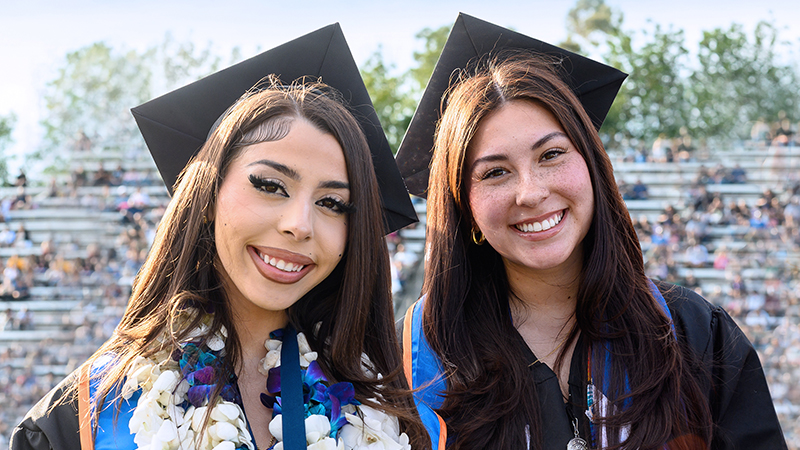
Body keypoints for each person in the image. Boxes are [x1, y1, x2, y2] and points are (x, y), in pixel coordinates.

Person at [11, 24, 427, 450]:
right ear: (207, 195)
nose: (300, 224)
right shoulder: (85, 418)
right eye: (270, 185)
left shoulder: (383, 416)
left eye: (333, 204)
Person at [394, 14, 786, 450]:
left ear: (593, 166)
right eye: (496, 172)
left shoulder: (695, 336)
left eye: (552, 154)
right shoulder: (412, 366)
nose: (531, 192)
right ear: (464, 206)